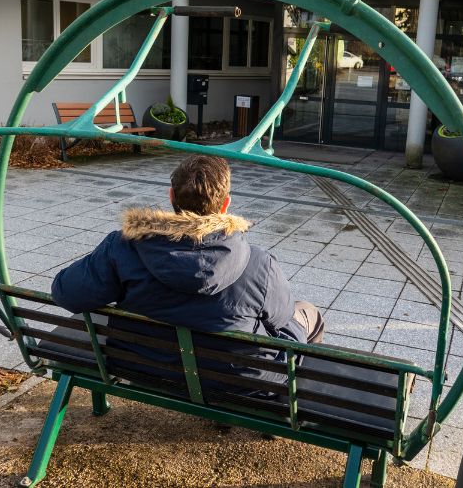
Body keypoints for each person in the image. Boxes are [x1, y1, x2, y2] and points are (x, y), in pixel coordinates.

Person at [51, 155, 323, 386]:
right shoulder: (260, 263)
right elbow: (281, 319)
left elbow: (66, 294)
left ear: (171, 197)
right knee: (308, 313)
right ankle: (289, 405)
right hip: (238, 382)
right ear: (226, 204)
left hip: (141, 367)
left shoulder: (122, 247)